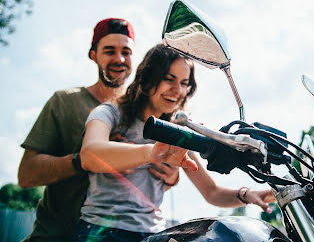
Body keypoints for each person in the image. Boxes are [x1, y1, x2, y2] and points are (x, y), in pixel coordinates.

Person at [71, 44, 274, 242]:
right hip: (100, 231)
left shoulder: (177, 132)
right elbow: (89, 155)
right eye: (169, 79)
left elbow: (211, 192)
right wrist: (151, 153)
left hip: (153, 233)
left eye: (185, 83)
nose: (177, 90)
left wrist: (247, 194)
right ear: (147, 78)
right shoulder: (109, 113)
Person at [17, 18, 176, 242]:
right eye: (109, 51)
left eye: (126, 52)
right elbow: (27, 175)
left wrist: (169, 177)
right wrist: (91, 158)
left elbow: (136, 189)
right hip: (54, 236)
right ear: (94, 55)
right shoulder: (64, 102)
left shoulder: (147, 116)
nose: (119, 59)